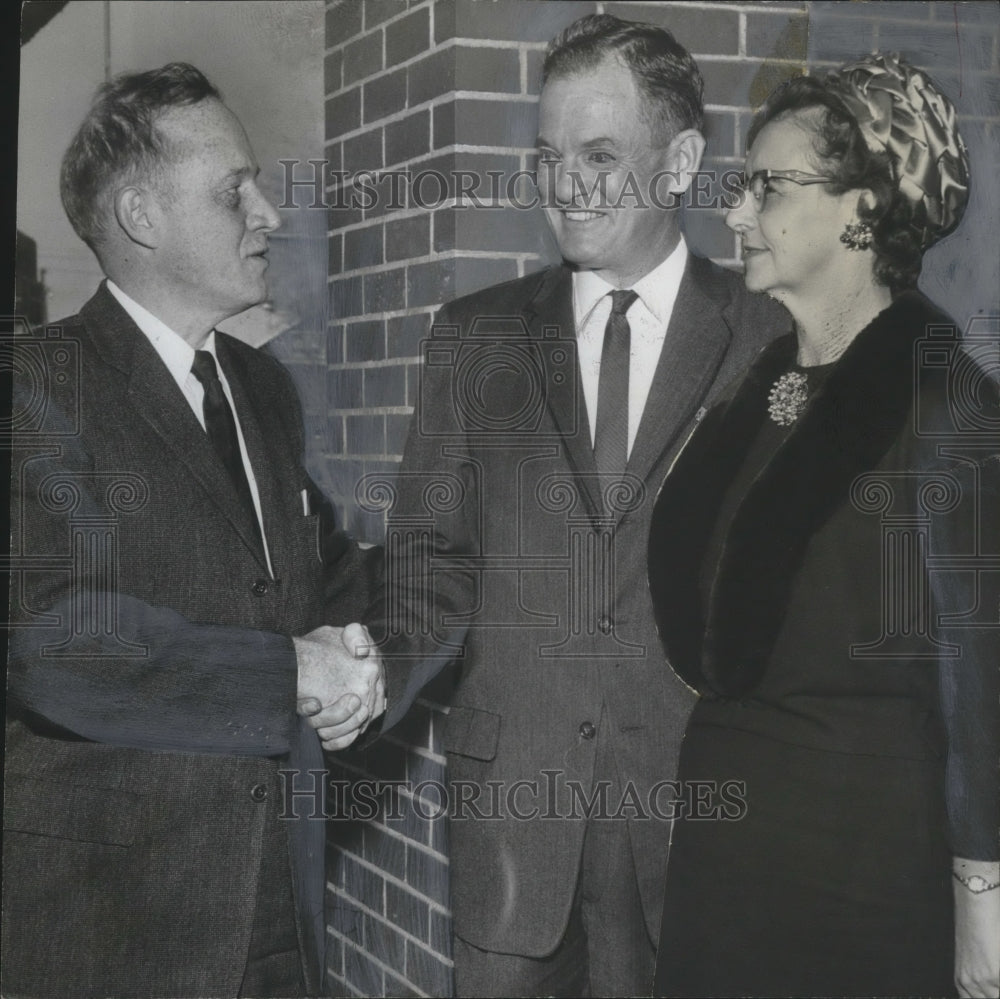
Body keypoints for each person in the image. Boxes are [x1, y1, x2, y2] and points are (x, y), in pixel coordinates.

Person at [368, 14, 786, 997]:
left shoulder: (775, 341)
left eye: (600, 155)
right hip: (515, 850)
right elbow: (429, 564)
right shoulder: (473, 343)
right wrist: (369, 668)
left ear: (680, 161)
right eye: (547, 155)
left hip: (705, 837)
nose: (564, 186)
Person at [3, 63, 390, 998]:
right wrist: (291, 670)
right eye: (233, 191)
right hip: (114, 927)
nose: (268, 211)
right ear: (142, 217)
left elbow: (321, 565)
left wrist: (356, 643)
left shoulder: (261, 389)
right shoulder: (37, 388)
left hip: (276, 899)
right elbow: (55, 642)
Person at [648, 53, 999, 997]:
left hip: (864, 872)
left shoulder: (950, 404)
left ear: (862, 210)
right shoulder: (753, 397)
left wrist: (983, 894)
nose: (733, 212)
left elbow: (984, 674)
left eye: (767, 185)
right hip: (725, 858)